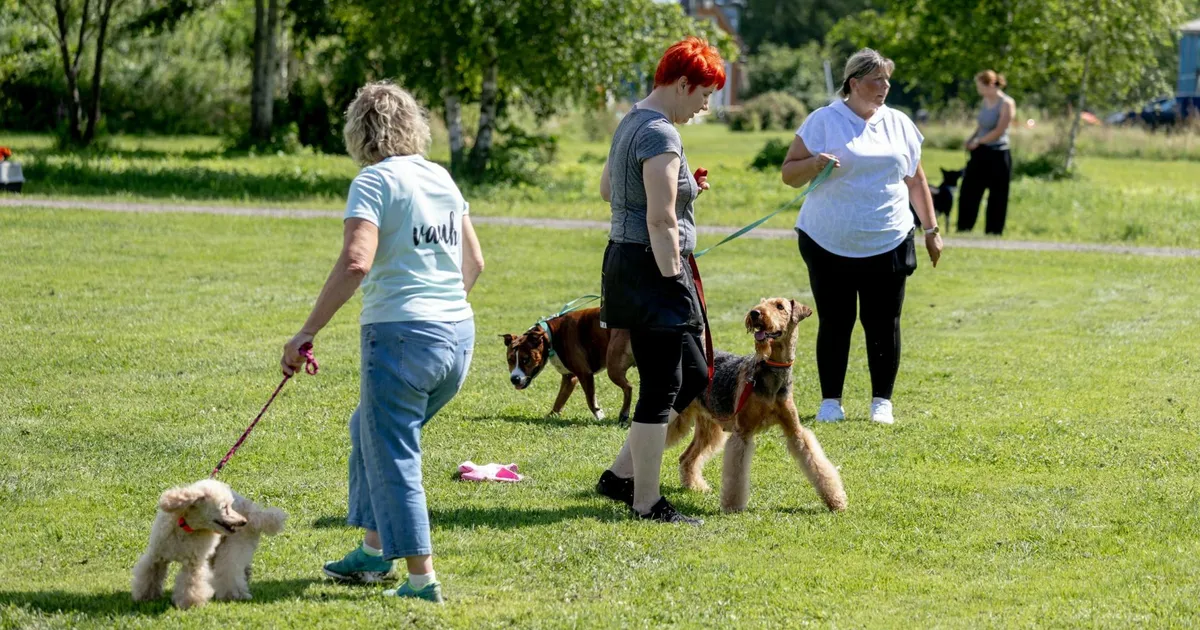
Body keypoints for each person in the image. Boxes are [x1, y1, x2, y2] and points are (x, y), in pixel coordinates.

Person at [280, 81, 485, 604]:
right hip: (458, 338)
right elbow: (475, 262)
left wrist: (307, 332)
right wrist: (440, 307)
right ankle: (374, 550)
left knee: (395, 453)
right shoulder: (440, 176)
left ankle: (421, 581)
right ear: (413, 126)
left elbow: (356, 262)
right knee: (368, 429)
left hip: (401, 338)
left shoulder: (373, 182)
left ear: (359, 132)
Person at [593, 37, 724, 524]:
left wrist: (687, 188)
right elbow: (662, 220)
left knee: (691, 374)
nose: (705, 106)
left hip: (630, 263)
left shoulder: (632, 120)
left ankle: (618, 477)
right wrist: (674, 280)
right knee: (662, 384)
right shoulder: (662, 134)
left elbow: (609, 188)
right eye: (704, 94)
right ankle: (647, 501)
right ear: (683, 84)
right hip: (654, 267)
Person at [780, 48, 943, 426]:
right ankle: (830, 402)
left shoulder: (899, 123)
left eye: (887, 79)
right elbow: (789, 173)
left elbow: (916, 180)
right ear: (854, 83)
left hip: (889, 237)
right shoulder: (824, 120)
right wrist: (814, 163)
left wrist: (931, 230)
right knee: (835, 320)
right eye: (876, 80)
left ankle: (881, 402)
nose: (885, 86)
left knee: (884, 321)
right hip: (827, 240)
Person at [958, 69, 1015, 235]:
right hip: (980, 152)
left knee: (998, 195)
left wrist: (979, 141)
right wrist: (971, 139)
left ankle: (993, 231)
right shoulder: (985, 101)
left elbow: (999, 129)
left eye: (980, 86)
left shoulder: (1006, 103)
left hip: (999, 153)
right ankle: (964, 227)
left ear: (990, 84)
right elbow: (982, 126)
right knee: (969, 190)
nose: (978, 90)